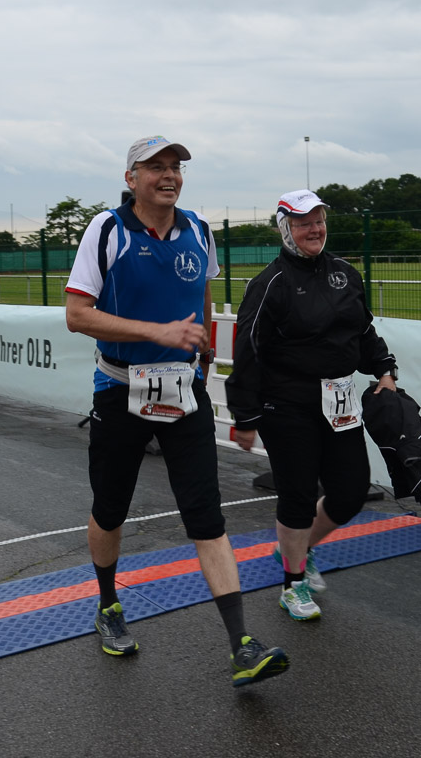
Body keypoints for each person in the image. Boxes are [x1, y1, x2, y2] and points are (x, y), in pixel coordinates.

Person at [64, 135, 289, 687]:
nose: (169, 175)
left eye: (176, 167)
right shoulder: (108, 230)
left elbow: (202, 298)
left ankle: (242, 644)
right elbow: (76, 314)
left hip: (184, 391)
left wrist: (203, 354)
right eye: (156, 167)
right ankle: (108, 604)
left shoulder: (198, 230)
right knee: (110, 510)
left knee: (207, 517)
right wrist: (157, 332)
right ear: (131, 178)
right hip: (119, 389)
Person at [226, 190, 398, 622]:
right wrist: (245, 415)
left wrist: (384, 369)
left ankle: (299, 549)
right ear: (285, 229)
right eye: (303, 223)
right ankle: (293, 583)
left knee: (351, 492)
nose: (314, 229)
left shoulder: (345, 273)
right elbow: (247, 349)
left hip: (339, 402)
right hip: (286, 404)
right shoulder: (270, 284)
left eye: (319, 221)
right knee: (298, 495)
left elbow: (362, 330)